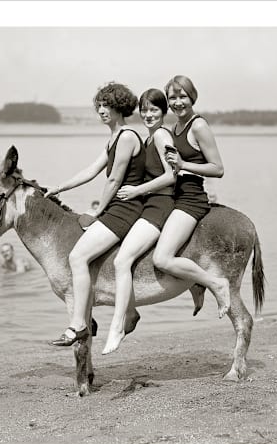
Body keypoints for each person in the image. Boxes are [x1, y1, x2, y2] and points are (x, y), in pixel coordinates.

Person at [45, 82, 146, 345]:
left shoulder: (126, 137)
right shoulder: (113, 138)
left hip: (126, 209)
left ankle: (79, 324)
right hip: (118, 207)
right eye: (99, 105)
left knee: (77, 257)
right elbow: (91, 171)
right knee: (80, 257)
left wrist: (98, 213)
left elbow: (113, 181)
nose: (101, 110)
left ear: (120, 107)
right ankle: (98, 318)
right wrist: (60, 187)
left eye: (107, 105)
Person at [101, 88, 176, 354]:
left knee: (122, 260)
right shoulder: (147, 138)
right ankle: (129, 313)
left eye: (154, 110)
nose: (148, 115)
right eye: (144, 110)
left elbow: (171, 176)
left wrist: (135, 191)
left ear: (164, 112)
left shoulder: (162, 135)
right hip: (147, 205)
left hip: (160, 206)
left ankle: (118, 325)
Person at [153, 75, 231, 317]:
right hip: (173, 197)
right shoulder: (174, 127)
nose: (178, 102)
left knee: (162, 259)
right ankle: (195, 285)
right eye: (172, 97)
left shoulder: (198, 125)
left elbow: (218, 168)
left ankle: (215, 283)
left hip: (191, 199)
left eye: (182, 96)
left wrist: (184, 163)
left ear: (192, 97)